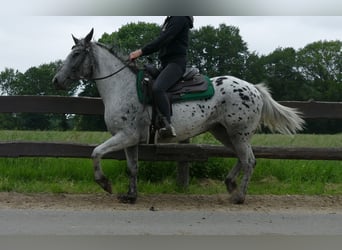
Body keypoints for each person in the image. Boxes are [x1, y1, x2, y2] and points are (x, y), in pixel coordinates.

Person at [129, 16, 194, 137]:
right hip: (165, 64)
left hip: (176, 64)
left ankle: (167, 125)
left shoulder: (179, 17)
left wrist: (141, 52)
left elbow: (164, 39)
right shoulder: (170, 19)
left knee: (158, 88)